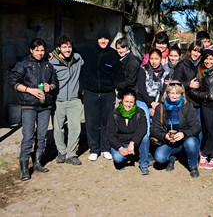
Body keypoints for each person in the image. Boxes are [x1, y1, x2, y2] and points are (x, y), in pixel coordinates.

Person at [9, 38, 59, 181]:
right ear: (31, 50)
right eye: (37, 50)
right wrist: (30, 90)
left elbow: (55, 82)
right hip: (28, 105)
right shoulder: (23, 64)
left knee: (42, 135)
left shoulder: (48, 65)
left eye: (42, 50)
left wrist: (51, 87)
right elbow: (13, 82)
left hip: (45, 105)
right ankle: (24, 168)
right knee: (28, 136)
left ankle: (38, 162)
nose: (40, 53)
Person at [76, 28, 123, 161]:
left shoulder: (113, 55)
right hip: (90, 92)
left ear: (109, 41)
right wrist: (55, 53)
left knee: (106, 122)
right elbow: (69, 48)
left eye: (106, 38)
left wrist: (119, 96)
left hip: (108, 94)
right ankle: (94, 149)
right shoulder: (87, 49)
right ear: (97, 39)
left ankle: (105, 148)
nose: (103, 41)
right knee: (91, 122)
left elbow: (119, 77)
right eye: (101, 38)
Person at [189, 44, 213, 170]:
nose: (208, 61)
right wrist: (205, 96)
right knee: (210, 132)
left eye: (211, 59)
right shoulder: (200, 73)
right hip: (207, 106)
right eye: (206, 58)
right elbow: (192, 91)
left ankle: (204, 153)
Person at [151, 81, 201, 178]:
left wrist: (183, 134)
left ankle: (193, 166)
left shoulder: (187, 106)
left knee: (191, 143)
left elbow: (196, 126)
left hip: (186, 138)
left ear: (182, 94)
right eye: (172, 93)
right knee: (160, 157)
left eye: (177, 93)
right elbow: (154, 129)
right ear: (167, 93)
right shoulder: (160, 108)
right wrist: (164, 136)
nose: (174, 96)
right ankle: (172, 157)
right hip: (170, 140)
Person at [51, 34, 84, 166]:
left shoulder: (77, 58)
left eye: (69, 46)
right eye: (64, 47)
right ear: (59, 48)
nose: (67, 50)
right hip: (58, 100)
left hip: (74, 100)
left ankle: (71, 154)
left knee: (75, 127)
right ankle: (62, 152)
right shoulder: (52, 62)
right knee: (58, 128)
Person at [107, 90, 150, 175]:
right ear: (121, 101)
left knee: (145, 137)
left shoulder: (140, 112)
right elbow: (111, 134)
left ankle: (144, 164)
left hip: (134, 142)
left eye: (131, 102)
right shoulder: (114, 114)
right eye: (126, 101)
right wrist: (120, 148)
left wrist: (132, 142)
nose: (129, 104)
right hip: (120, 142)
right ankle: (129, 156)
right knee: (118, 158)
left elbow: (143, 128)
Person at [136, 49, 170, 118]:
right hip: (143, 100)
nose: (154, 62)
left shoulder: (166, 72)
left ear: (161, 59)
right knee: (145, 119)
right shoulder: (143, 69)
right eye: (151, 59)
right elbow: (141, 88)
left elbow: (163, 91)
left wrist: (156, 106)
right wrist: (151, 103)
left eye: (156, 59)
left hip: (158, 101)